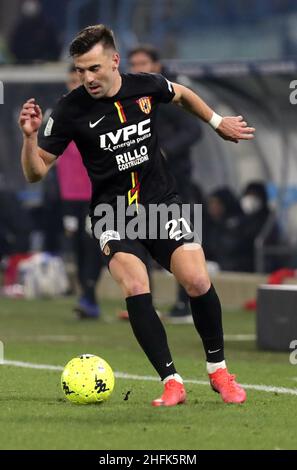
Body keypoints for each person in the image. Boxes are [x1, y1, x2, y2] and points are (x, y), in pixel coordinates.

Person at [19, 24, 255, 406]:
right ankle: (172, 381)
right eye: (80, 70)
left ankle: (219, 372)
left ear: (114, 61)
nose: (87, 78)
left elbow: (181, 94)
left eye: (94, 68)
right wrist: (30, 139)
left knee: (196, 279)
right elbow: (35, 172)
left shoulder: (144, 85)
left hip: (162, 201)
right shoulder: (68, 110)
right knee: (135, 284)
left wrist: (217, 123)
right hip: (113, 213)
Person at [127, 45, 202, 322]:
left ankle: (186, 303)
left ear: (157, 65)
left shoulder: (169, 94)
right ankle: (147, 303)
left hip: (176, 182)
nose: (138, 67)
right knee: (143, 237)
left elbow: (193, 130)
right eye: (133, 63)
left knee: (184, 243)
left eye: (143, 62)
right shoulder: (133, 95)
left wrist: (164, 151)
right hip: (145, 183)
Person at [56, 65, 104, 319]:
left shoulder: (99, 109)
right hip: (69, 196)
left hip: (94, 193)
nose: (76, 83)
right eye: (72, 79)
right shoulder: (61, 113)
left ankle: (89, 295)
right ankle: (87, 297)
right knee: (76, 245)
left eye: (79, 79)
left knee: (92, 244)